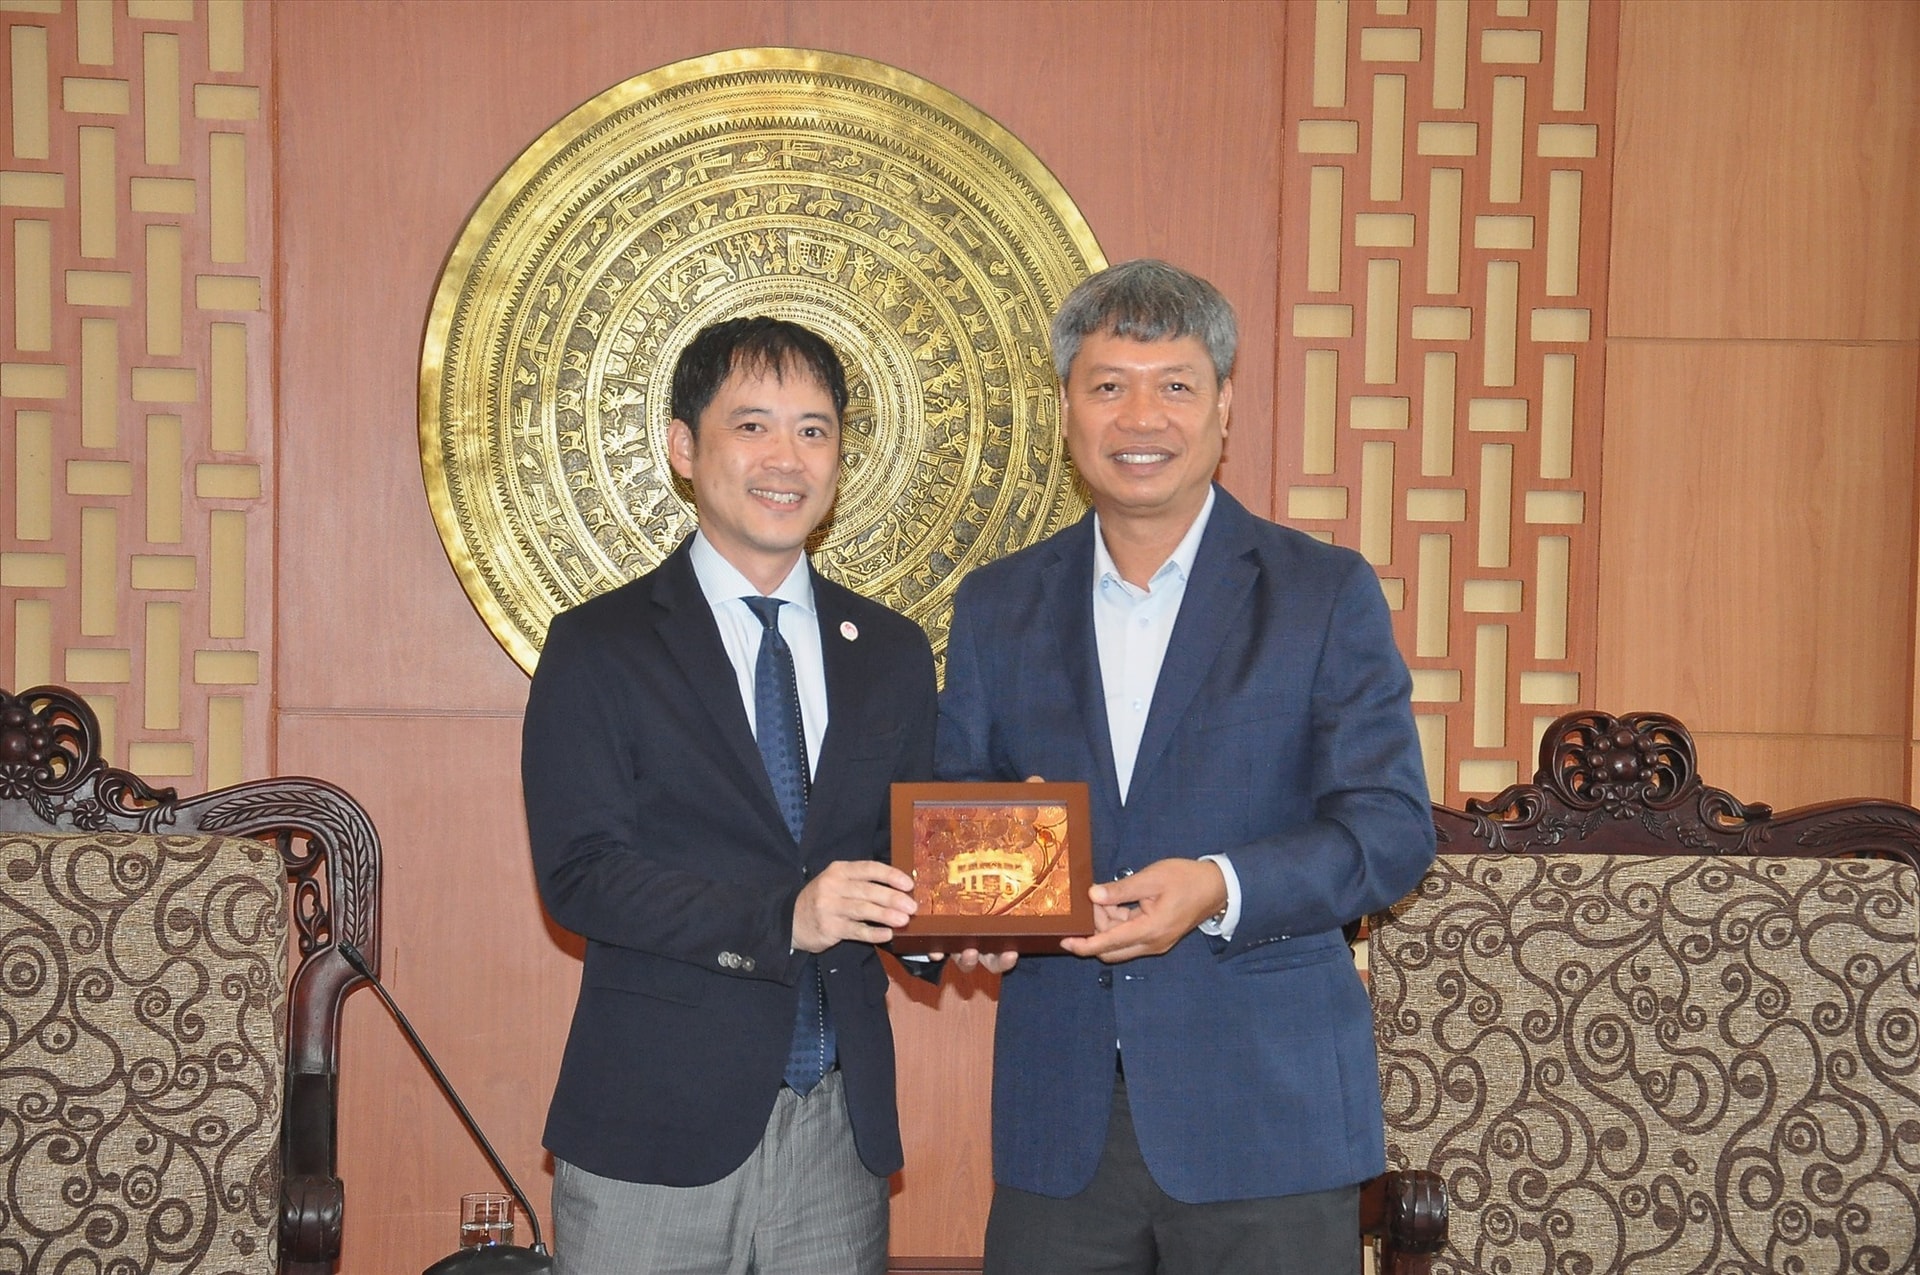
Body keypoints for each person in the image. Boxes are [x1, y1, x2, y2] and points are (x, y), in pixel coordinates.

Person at [936, 259, 1436, 1275]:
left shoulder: (1322, 592)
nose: (1141, 418)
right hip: (1063, 1125)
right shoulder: (998, 606)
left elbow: (1388, 830)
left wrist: (1217, 886)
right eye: (1108, 385)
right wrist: (970, 917)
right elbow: (959, 817)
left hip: (1268, 1112)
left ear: (1225, 410)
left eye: (1175, 386)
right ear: (1068, 410)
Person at [522, 316, 936, 1274]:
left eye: (814, 429)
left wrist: (965, 920)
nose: (785, 458)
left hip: (838, 1134)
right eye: (752, 426)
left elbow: (899, 859)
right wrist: (786, 914)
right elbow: (582, 875)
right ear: (683, 445)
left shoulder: (893, 654)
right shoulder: (600, 645)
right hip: (652, 1131)